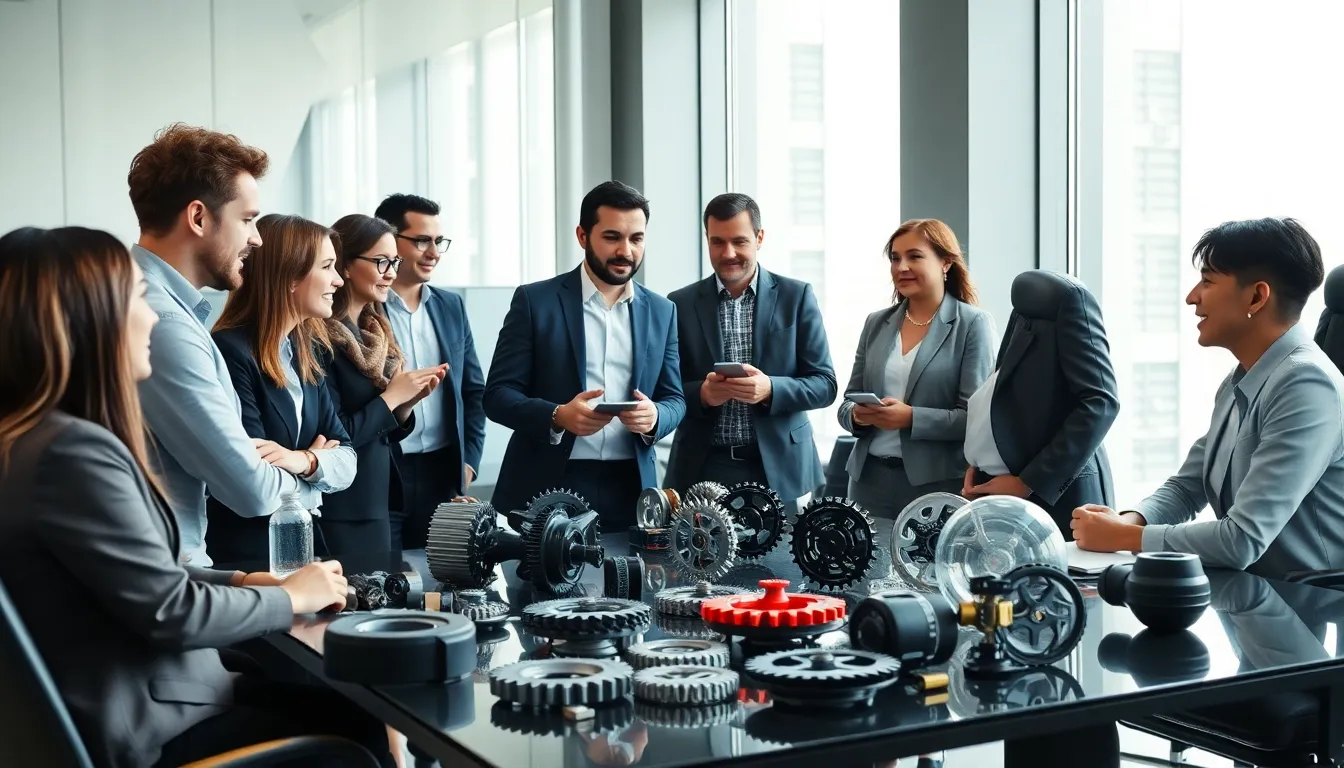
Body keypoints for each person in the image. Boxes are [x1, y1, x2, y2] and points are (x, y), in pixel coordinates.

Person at [0, 226, 393, 768]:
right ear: (89, 319)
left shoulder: (31, 443)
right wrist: (292, 598)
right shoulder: (71, 453)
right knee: (362, 726)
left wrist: (239, 580)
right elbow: (170, 610)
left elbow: (140, 580)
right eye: (138, 299)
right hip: (150, 730)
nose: (153, 318)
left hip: (142, 701)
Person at [1073, 217, 1344, 576]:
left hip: (1307, 605)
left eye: (1207, 281)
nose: (1192, 297)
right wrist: (1128, 521)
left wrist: (1125, 537)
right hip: (1252, 598)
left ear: (1256, 296)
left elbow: (1242, 539)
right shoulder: (1241, 379)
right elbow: (1188, 487)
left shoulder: (1306, 385)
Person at [128, 123, 325, 565]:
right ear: (199, 218)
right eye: (248, 220)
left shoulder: (141, 298)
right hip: (164, 586)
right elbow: (251, 490)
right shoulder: (164, 322)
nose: (256, 238)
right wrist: (311, 472)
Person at [485, 181, 686, 528]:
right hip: (548, 486)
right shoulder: (535, 302)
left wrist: (655, 417)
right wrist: (557, 416)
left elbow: (675, 399)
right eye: (612, 237)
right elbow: (497, 396)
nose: (626, 250)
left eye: (636, 238)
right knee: (539, 584)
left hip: (633, 491)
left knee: (634, 582)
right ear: (582, 236)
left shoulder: (662, 310)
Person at [665, 193, 837, 510]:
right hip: (703, 468)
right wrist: (702, 394)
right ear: (707, 240)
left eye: (739, 241)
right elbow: (664, 391)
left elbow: (825, 385)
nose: (728, 253)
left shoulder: (796, 296)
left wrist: (771, 388)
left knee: (787, 560)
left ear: (759, 238)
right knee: (701, 559)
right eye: (717, 242)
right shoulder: (679, 303)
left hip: (782, 467)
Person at [207, 214, 358, 562]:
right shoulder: (232, 351)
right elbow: (254, 483)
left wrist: (301, 460)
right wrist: (318, 474)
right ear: (290, 276)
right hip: (247, 556)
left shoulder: (305, 351)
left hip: (302, 548)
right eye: (327, 266)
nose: (337, 280)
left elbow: (349, 461)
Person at [838, 219, 995, 518]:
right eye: (895, 258)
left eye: (915, 256)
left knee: (930, 565)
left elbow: (975, 421)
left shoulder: (973, 324)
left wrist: (910, 418)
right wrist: (857, 415)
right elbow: (847, 403)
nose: (901, 267)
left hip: (935, 486)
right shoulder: (876, 323)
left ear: (946, 263)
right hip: (867, 482)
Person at [959, 269, 1120, 537]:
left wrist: (1029, 482)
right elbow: (1000, 395)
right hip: (1004, 487)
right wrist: (978, 465)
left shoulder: (1071, 304)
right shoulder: (1028, 312)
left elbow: (1101, 403)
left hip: (1052, 494)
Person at [322, 213, 447, 555]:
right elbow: (336, 438)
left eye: (394, 261)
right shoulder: (322, 338)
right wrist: (392, 398)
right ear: (344, 265)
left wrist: (405, 406)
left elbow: (381, 431)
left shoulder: (376, 331)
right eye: (380, 261)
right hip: (342, 510)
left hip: (378, 501)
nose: (391, 272)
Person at [376, 193, 486, 550]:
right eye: (422, 240)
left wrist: (469, 461)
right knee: (383, 579)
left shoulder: (451, 305)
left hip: (443, 472)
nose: (434, 252)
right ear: (389, 242)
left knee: (442, 578)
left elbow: (473, 391)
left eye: (438, 241)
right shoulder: (363, 308)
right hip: (385, 469)